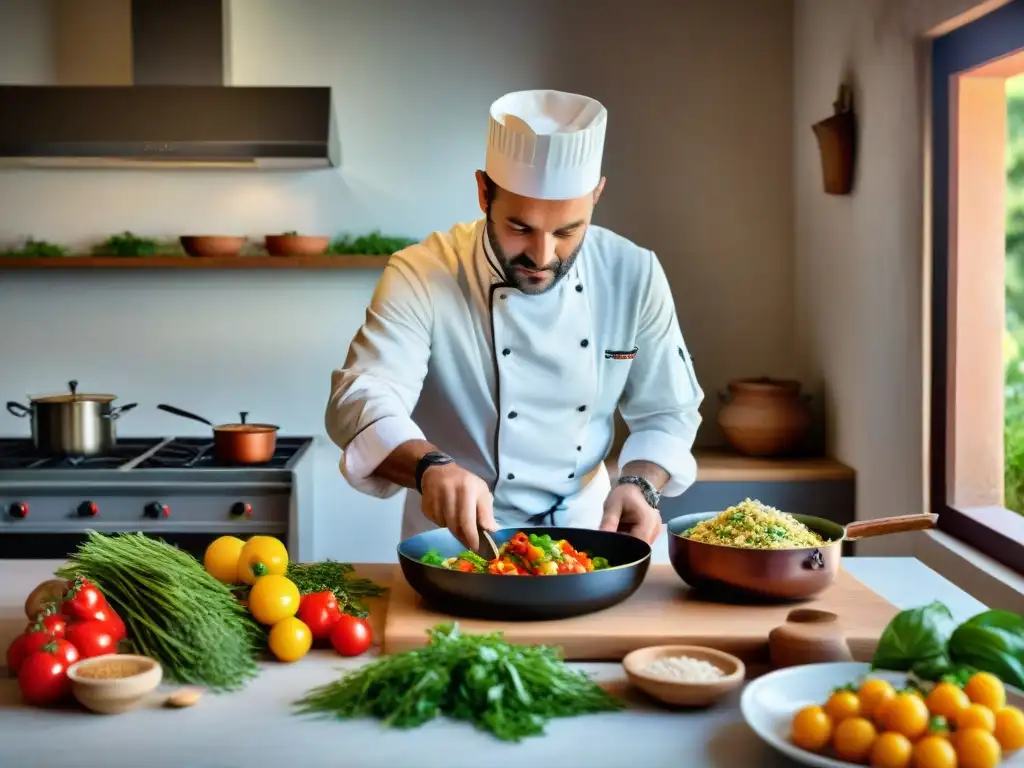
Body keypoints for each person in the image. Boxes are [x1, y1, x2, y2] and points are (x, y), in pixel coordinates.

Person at [326, 88, 704, 552]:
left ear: (597, 196)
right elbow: (361, 395)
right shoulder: (423, 271)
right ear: (484, 192)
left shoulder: (633, 273)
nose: (543, 256)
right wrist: (430, 468)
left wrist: (641, 484)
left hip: (590, 534)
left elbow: (669, 412)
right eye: (520, 228)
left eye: (567, 231)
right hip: (456, 539)